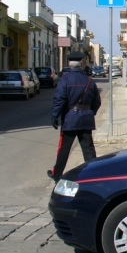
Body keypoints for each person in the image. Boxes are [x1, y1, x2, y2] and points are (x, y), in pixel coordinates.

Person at [47, 51, 101, 182]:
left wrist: (55, 116)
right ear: (81, 64)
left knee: (64, 149)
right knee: (88, 149)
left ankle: (57, 174)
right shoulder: (89, 81)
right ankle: (94, 175)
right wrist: (90, 112)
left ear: (69, 64)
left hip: (70, 119)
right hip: (86, 119)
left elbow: (59, 100)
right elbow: (97, 102)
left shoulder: (64, 80)